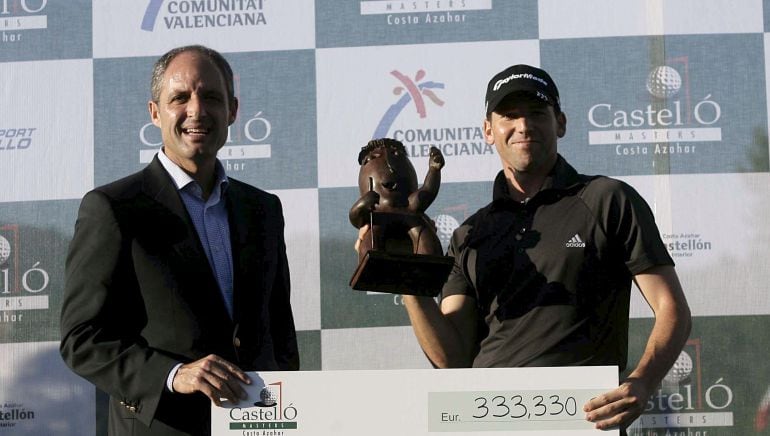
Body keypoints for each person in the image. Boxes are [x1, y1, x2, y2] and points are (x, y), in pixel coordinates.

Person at [355, 64, 691, 432]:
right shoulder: (469, 232)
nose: (524, 126)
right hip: (486, 424)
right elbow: (451, 358)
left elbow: (671, 308)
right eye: (509, 116)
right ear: (488, 130)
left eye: (536, 114)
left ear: (560, 122)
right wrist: (406, 276)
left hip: (581, 421)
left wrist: (642, 381)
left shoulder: (607, 199)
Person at [60, 45, 299, 436]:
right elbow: (81, 339)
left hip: (259, 426)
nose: (197, 111)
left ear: (233, 111)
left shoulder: (263, 209)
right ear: (155, 112)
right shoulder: (114, 208)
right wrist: (174, 374)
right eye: (180, 98)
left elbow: (280, 332)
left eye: (211, 97)